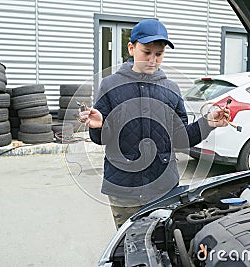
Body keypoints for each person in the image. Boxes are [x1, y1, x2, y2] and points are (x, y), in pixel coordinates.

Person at [79, 19, 230, 229]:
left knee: (164, 243)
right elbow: (101, 140)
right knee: (127, 247)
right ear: (131, 48)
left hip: (164, 188)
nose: (152, 60)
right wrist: (98, 126)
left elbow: (181, 138)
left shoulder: (171, 89)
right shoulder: (110, 85)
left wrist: (207, 123)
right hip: (123, 190)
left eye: (158, 54)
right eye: (146, 52)